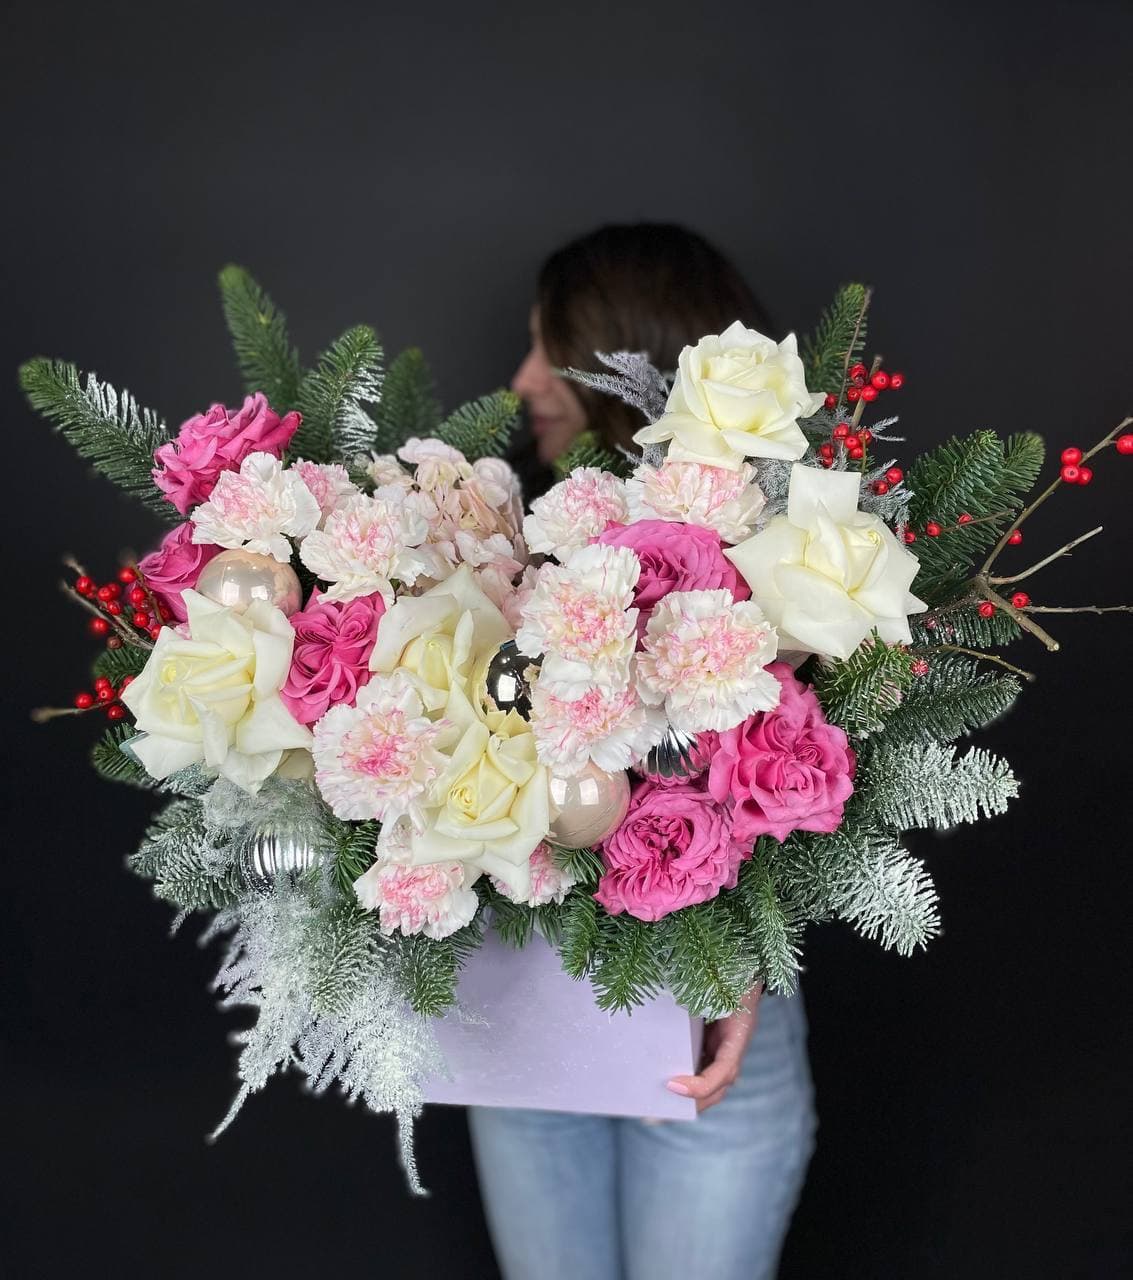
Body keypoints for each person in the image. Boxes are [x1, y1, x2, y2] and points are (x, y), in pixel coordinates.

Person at [469, 223, 817, 1280]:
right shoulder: (500, 538)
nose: (522, 380)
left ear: (623, 354)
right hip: (529, 1025)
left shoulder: (785, 555)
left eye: (548, 347)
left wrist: (738, 957)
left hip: (707, 1032)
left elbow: (814, 788)